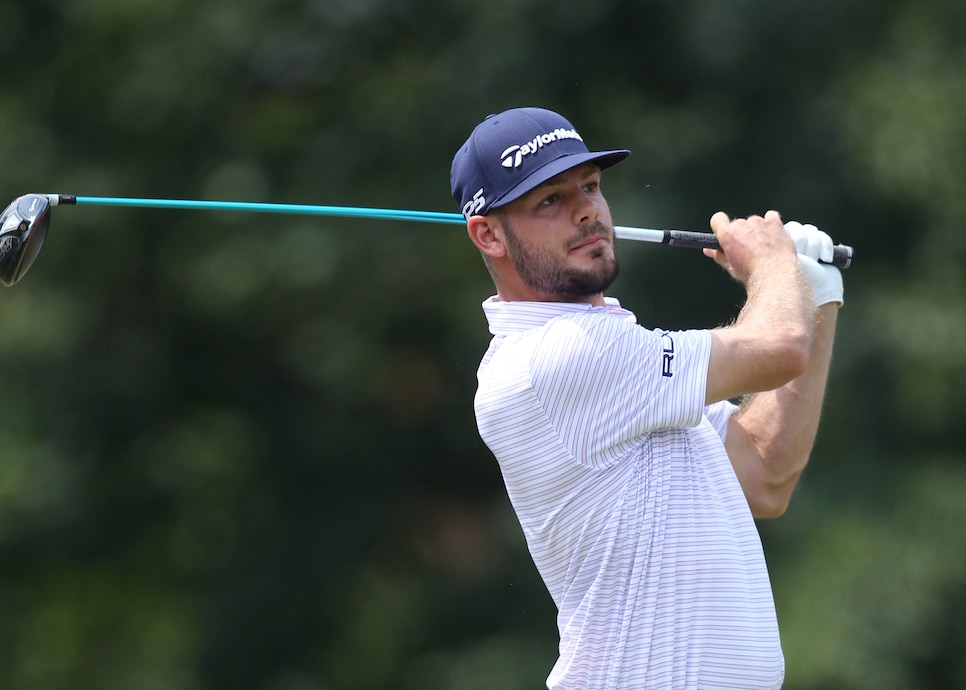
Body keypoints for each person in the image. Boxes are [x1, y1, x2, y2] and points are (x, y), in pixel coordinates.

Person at [450, 106, 842, 690]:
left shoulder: (621, 355)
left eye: (589, 187)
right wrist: (772, 266)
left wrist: (816, 295)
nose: (587, 211)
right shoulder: (558, 357)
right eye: (549, 201)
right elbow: (781, 344)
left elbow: (765, 470)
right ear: (488, 234)